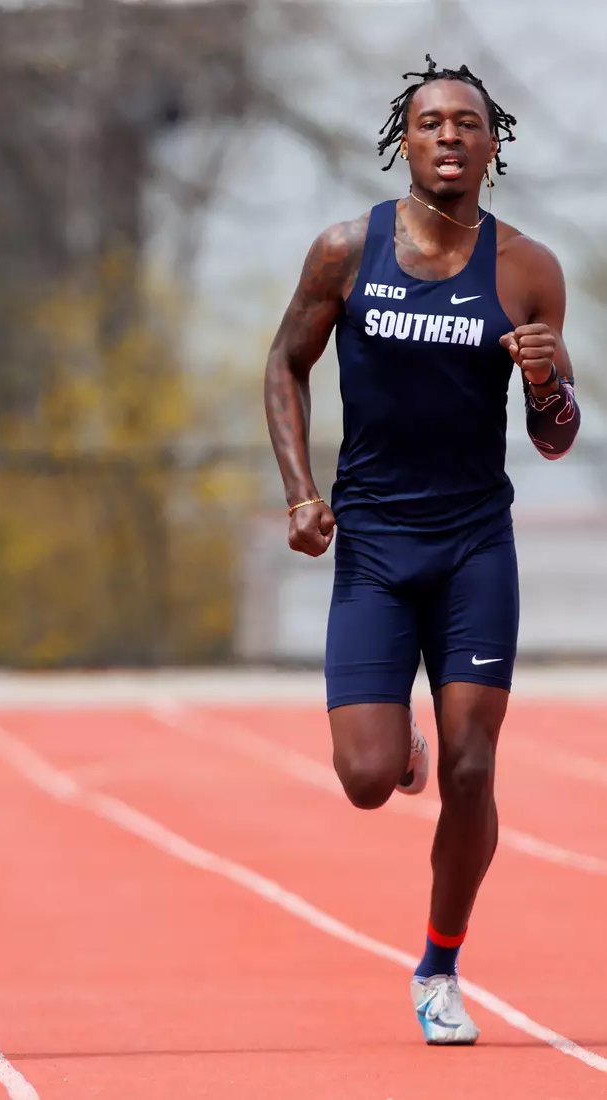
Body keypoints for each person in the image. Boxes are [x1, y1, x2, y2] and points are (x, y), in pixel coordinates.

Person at [262, 55, 579, 1046]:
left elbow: (558, 434)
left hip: (475, 541)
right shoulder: (346, 250)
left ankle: (440, 964)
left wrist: (544, 385)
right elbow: (283, 363)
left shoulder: (526, 269)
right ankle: (397, 738)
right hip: (375, 545)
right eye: (432, 121)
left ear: (494, 146)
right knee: (364, 777)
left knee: (476, 769)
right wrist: (302, 492)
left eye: (468, 124)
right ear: (405, 139)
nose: (449, 136)